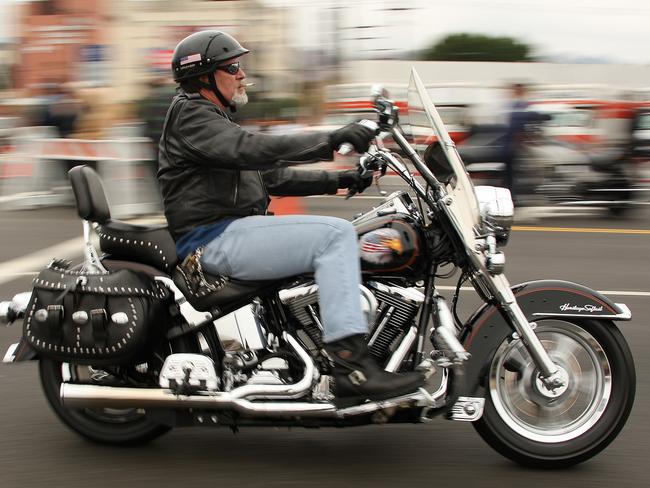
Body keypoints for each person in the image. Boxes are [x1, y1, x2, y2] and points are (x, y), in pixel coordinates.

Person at [158, 30, 424, 404]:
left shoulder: (211, 121)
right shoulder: (191, 116)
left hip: (233, 231)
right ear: (204, 77)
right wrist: (332, 139)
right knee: (335, 236)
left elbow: (272, 176)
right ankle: (353, 369)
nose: (240, 74)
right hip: (212, 240)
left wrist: (342, 179)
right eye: (231, 66)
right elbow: (251, 149)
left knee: (338, 234)